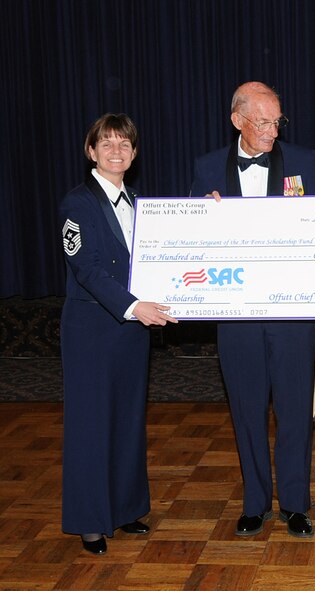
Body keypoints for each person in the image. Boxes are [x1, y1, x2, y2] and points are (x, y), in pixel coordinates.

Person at [190, 81, 315, 538]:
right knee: (247, 408)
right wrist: (202, 220)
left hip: (293, 310)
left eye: (277, 121)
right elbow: (188, 243)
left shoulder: (304, 161)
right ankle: (255, 502)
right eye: (262, 122)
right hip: (235, 312)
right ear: (237, 121)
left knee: (293, 409)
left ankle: (295, 503)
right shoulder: (207, 167)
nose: (272, 131)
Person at [60, 113, 177, 554]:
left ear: (134, 152)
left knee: (129, 420)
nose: (115, 151)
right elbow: (86, 269)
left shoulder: (140, 201)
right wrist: (133, 307)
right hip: (93, 327)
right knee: (90, 424)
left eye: (124, 144)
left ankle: (126, 509)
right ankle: (91, 522)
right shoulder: (77, 203)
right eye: (106, 143)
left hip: (132, 328)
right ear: (91, 152)